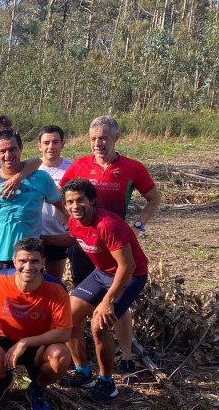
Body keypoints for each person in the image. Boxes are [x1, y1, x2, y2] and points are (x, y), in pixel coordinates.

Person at [60, 115, 161, 384]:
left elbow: (153, 198)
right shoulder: (80, 166)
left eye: (103, 137)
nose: (98, 143)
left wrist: (140, 224)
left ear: (116, 138)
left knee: (109, 308)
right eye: (93, 138)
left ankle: (124, 356)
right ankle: (83, 366)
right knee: (75, 312)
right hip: (89, 245)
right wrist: (70, 225)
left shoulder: (132, 167)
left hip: (117, 243)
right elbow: (64, 195)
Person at [58, 179, 149, 402]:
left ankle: (108, 383)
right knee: (66, 318)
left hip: (130, 275)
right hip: (102, 273)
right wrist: (39, 239)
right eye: (70, 201)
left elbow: (126, 266)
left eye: (81, 200)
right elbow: (73, 239)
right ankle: (84, 373)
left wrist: (108, 300)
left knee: (98, 325)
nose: (75, 205)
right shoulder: (74, 222)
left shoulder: (108, 224)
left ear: (92, 200)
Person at [0, 238, 72, 410]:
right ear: (14, 262)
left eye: (34, 261)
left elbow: (65, 333)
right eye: (22, 261)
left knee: (60, 357)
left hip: (39, 343)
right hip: (5, 337)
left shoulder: (56, 289)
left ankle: (37, 388)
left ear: (43, 263)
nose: (28, 266)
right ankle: (3, 380)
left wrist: (25, 342)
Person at [0, 130, 63, 277]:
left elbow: (62, 207)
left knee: (31, 299)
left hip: (31, 258)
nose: (8, 155)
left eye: (12, 149)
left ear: (21, 148)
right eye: (3, 151)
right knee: (0, 299)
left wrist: (80, 228)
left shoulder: (41, 178)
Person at [36, 126, 73, 280]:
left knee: (53, 281)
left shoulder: (72, 168)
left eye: (55, 142)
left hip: (59, 235)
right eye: (46, 143)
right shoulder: (30, 169)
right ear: (39, 146)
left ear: (62, 144)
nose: (51, 147)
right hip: (34, 234)